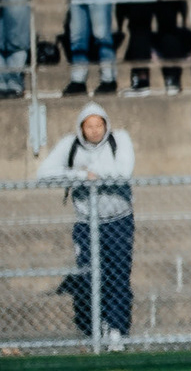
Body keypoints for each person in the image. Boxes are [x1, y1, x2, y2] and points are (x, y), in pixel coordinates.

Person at [37, 99, 133, 339]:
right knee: (90, 274)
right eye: (89, 126)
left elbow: (124, 171)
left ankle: (116, 329)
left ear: (106, 125)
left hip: (118, 221)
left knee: (119, 274)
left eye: (99, 125)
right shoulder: (69, 145)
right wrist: (80, 175)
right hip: (86, 223)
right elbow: (44, 174)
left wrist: (96, 174)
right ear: (81, 127)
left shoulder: (119, 139)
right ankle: (98, 323)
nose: (94, 130)